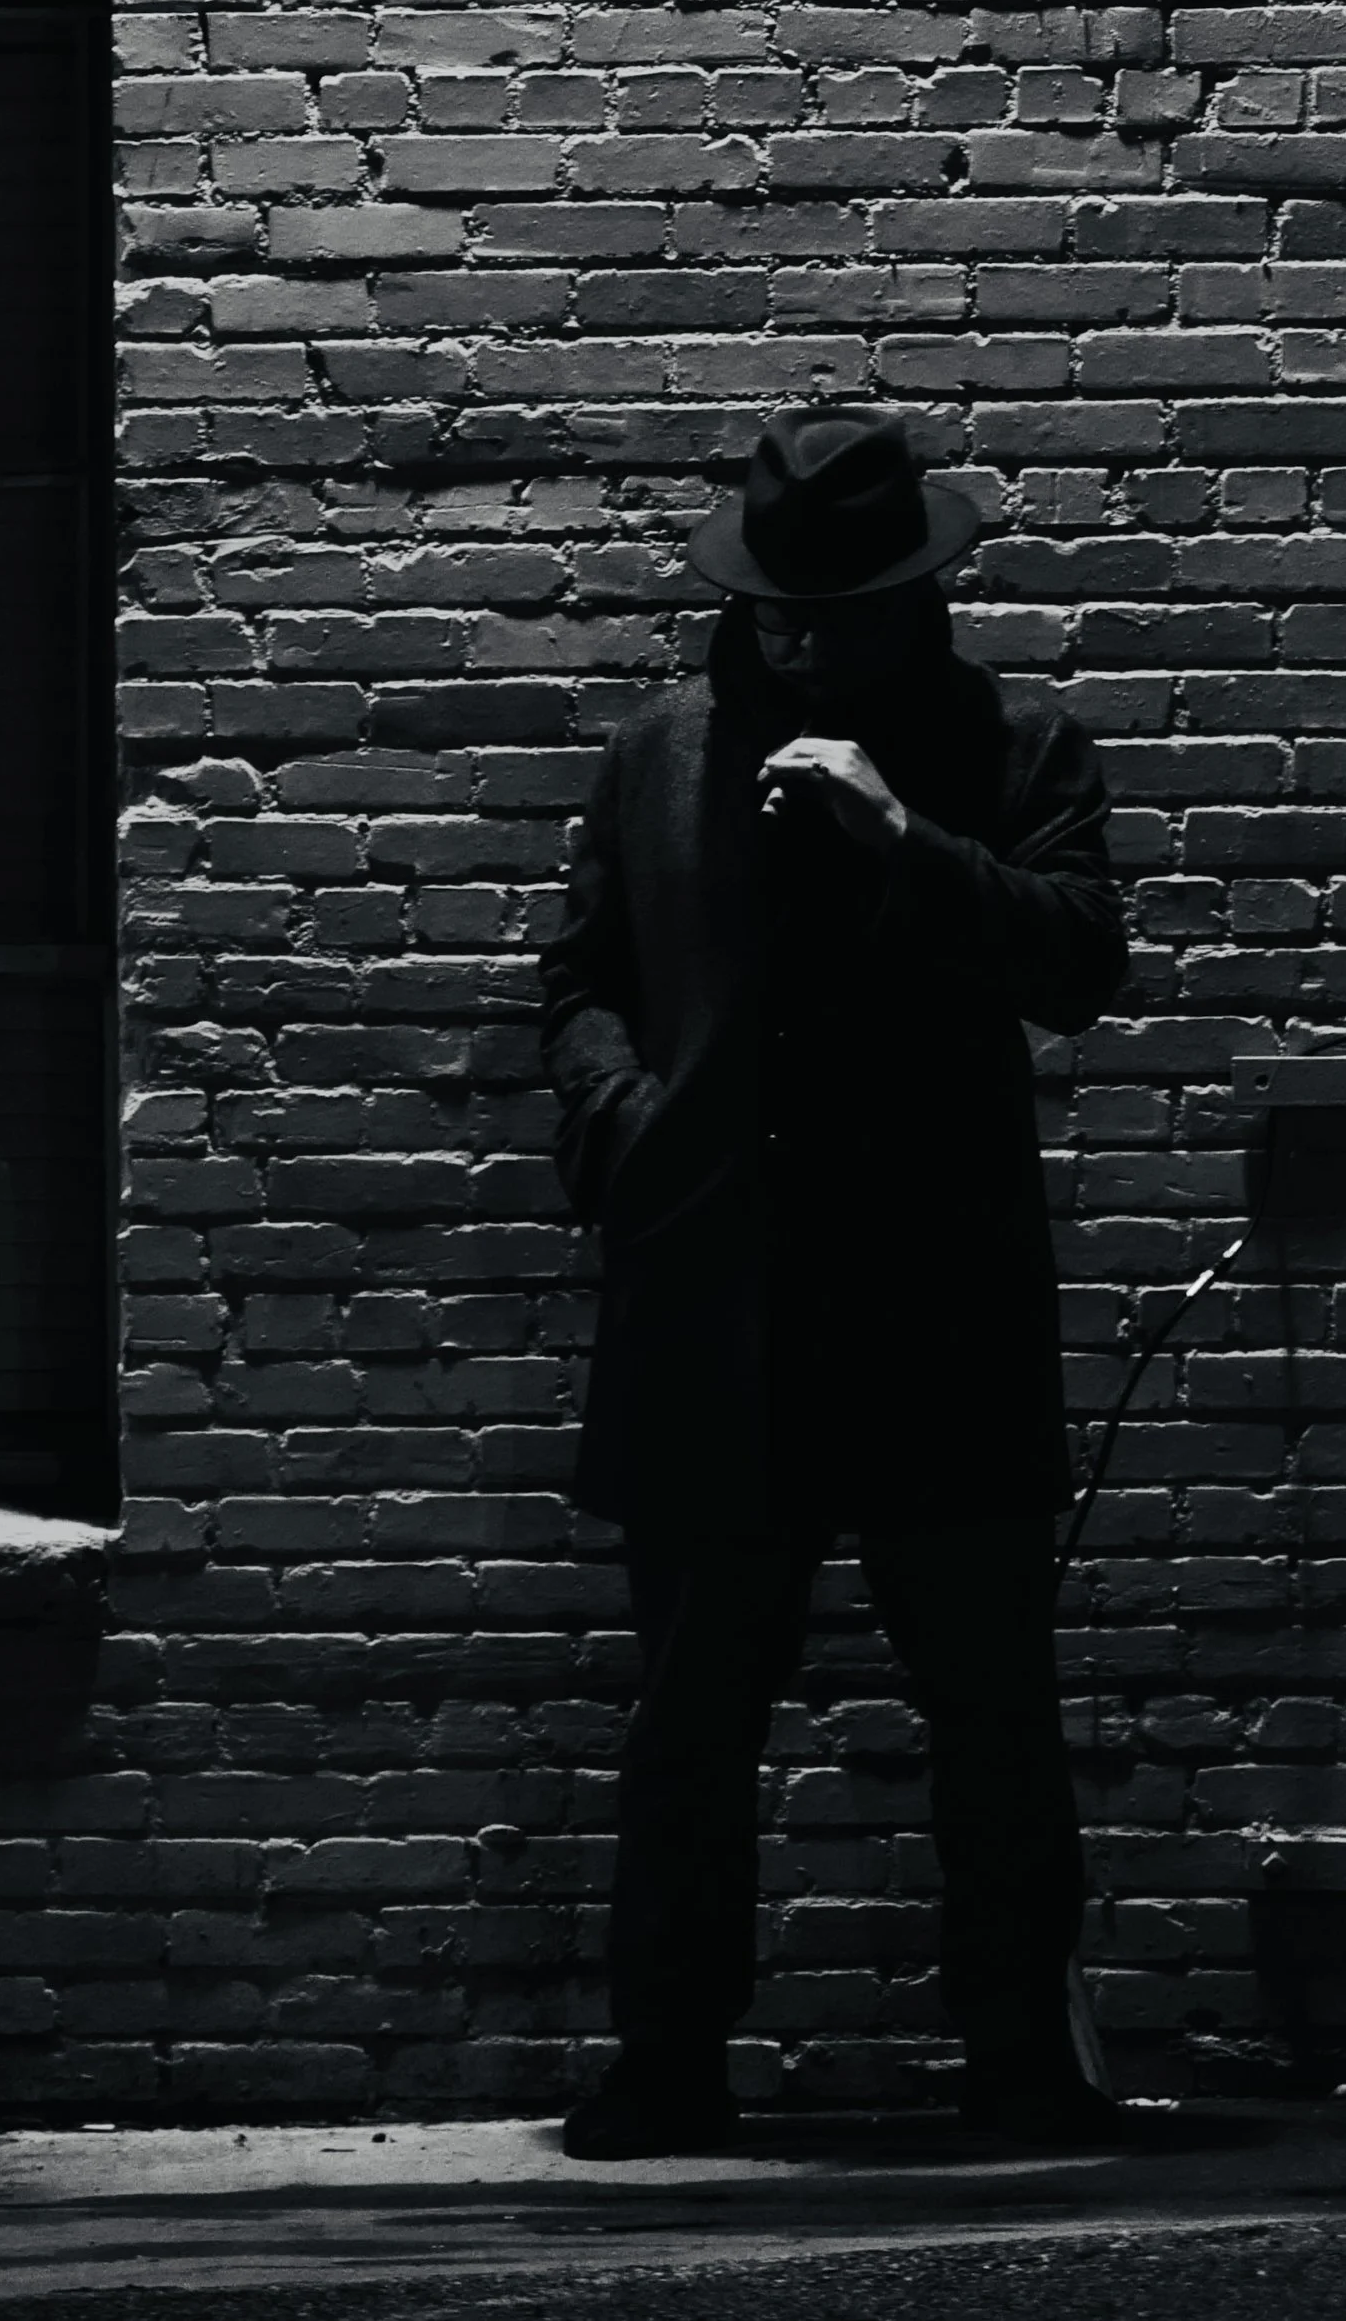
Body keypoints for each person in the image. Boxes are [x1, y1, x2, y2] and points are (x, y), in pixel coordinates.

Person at [544, 406, 1133, 2159]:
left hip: (936, 1305)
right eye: (774, 612)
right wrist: (623, 1122)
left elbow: (1079, 962)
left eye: (833, 616)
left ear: (910, 599)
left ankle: (1020, 2058)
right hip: (715, 1299)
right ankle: (667, 2059)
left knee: (992, 1708)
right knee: (690, 1714)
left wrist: (901, 837)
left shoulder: (1014, 743)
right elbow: (578, 979)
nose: (796, 643)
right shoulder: (659, 752)